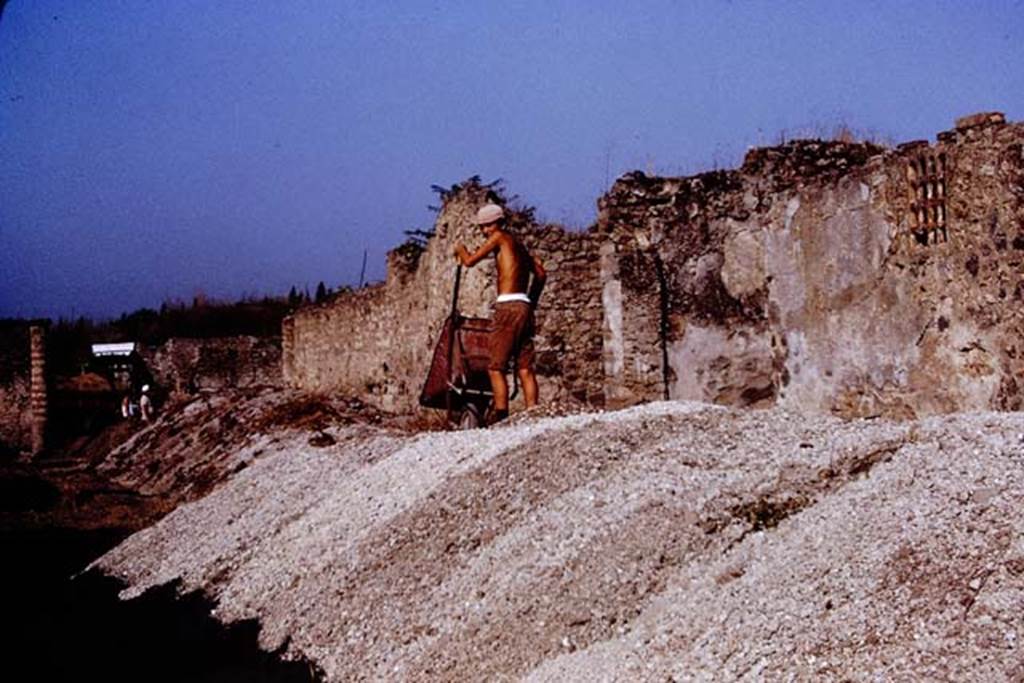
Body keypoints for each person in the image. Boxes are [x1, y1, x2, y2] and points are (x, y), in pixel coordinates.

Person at [454, 203, 546, 424]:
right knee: (525, 367)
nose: (485, 231)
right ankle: (532, 413)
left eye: (487, 226)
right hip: (524, 307)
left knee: (496, 367)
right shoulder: (521, 247)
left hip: (506, 308)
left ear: (498, 223)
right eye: (483, 227)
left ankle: (502, 417)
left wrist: (459, 249)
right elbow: (541, 274)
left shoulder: (499, 238)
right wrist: (529, 301)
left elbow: (469, 261)